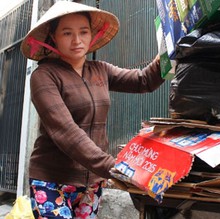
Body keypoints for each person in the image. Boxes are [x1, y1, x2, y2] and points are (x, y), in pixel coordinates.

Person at [20, 1, 164, 218]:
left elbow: (143, 81)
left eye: (83, 32)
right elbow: (65, 131)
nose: (77, 40)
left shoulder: (100, 70)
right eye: (67, 33)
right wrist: (113, 167)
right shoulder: (44, 76)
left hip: (92, 183)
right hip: (52, 180)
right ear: (53, 38)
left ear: (92, 34)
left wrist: (168, 54)